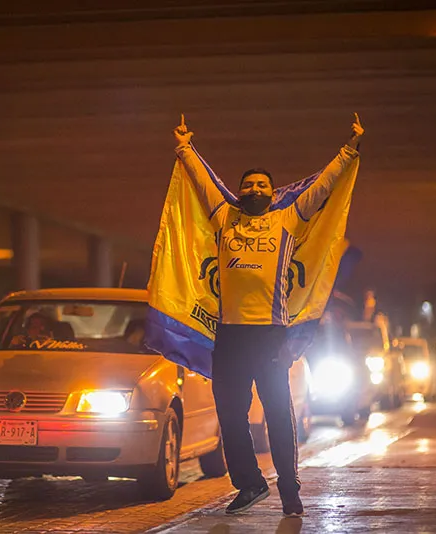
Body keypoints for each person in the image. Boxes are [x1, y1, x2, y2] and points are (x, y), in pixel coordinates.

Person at [173, 113, 364, 517]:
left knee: (278, 414)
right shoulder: (224, 218)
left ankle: (289, 490)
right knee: (230, 415)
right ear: (239, 192)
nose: (254, 189)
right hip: (230, 336)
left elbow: (322, 186)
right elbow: (204, 184)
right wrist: (185, 148)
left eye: (261, 185)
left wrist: (348, 152)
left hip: (271, 335)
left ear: (272, 192)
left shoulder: (288, 219)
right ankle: (250, 483)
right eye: (248, 185)